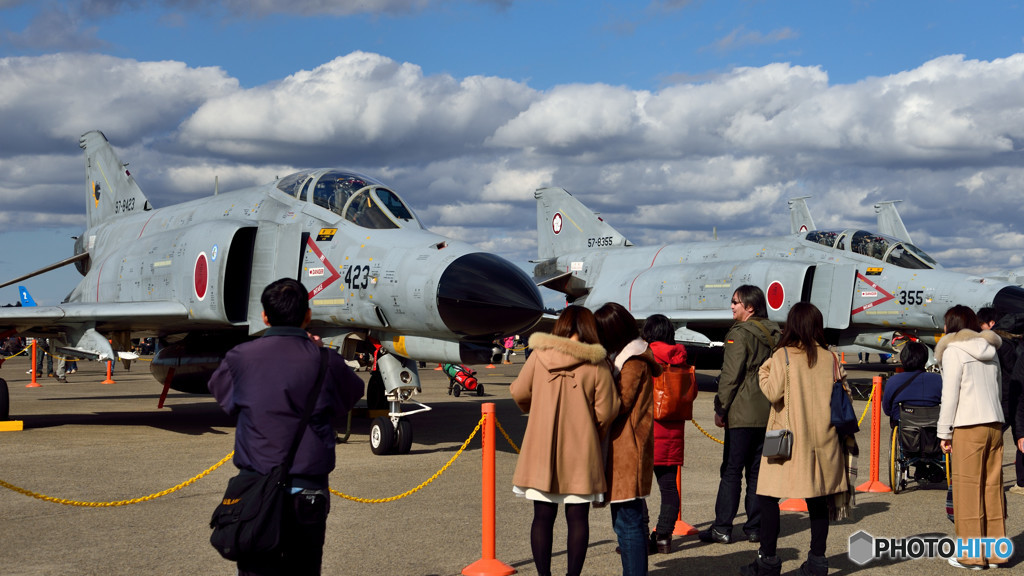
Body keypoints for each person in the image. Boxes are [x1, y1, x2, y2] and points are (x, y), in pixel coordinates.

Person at [208, 278, 364, 576]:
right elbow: (349, 397)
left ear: (264, 316)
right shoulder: (325, 361)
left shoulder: (240, 357)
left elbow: (225, 399)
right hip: (308, 491)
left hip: (256, 492)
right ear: (307, 314)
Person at [745, 302, 853, 576]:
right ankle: (817, 560)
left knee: (768, 497)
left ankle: (767, 559)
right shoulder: (830, 358)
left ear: (791, 325)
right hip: (824, 441)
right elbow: (844, 394)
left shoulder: (783, 356)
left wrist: (763, 371)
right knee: (818, 499)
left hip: (787, 440)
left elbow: (772, 393)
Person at [510, 305, 619, 576]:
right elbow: (607, 411)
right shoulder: (596, 362)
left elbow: (519, 392)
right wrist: (591, 428)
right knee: (578, 518)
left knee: (542, 517)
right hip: (581, 449)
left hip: (541, 446)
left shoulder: (539, 355)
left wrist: (538, 410)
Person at [701, 285, 780, 545]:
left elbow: (730, 376)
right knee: (758, 473)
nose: (732, 306)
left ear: (750, 307)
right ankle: (755, 528)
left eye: (736, 302)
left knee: (732, 471)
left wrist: (720, 407)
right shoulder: (774, 332)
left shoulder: (739, 334)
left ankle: (722, 528)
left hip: (742, 413)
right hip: (769, 411)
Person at [936, 305, 1007, 569]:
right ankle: (997, 553)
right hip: (994, 423)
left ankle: (972, 556)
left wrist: (944, 432)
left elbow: (950, 394)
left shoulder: (954, 350)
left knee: (967, 491)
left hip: (968, 425)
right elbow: (999, 386)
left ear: (952, 325)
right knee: (992, 490)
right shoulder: (991, 350)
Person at [596, 302, 660, 576]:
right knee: (627, 520)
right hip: (628, 445)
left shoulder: (632, 360)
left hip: (628, 447)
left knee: (628, 522)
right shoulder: (630, 355)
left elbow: (620, 403)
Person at [640, 313, 689, 554]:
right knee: (669, 487)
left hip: (647, 429)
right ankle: (663, 537)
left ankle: (639, 537)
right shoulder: (680, 358)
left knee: (637, 488)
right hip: (673, 429)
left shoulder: (646, 355)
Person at [881, 341, 944, 482]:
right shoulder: (939, 380)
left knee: (897, 421)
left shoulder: (893, 381)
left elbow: (887, 409)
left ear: (903, 359)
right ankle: (937, 466)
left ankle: (917, 464)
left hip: (907, 433)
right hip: (934, 433)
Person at [978, 307, 1024, 495]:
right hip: (1015, 393)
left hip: (1003, 396)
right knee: (1020, 436)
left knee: (993, 437)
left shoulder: (999, 344)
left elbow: (1007, 373)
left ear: (991, 323)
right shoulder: (1014, 341)